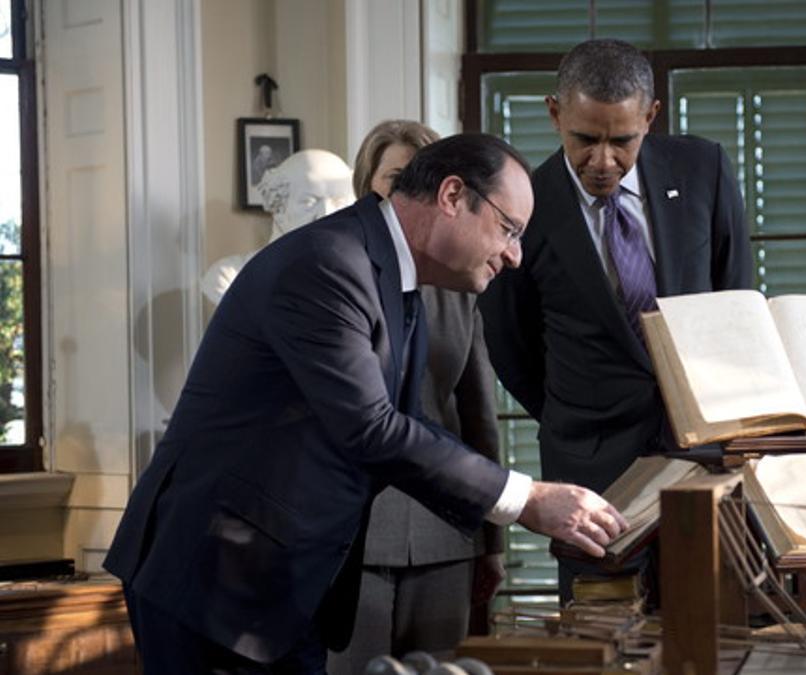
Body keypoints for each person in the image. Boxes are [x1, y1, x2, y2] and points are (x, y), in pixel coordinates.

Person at [104, 133, 627, 674]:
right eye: (509, 229)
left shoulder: (394, 276)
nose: (515, 256)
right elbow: (371, 430)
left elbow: (405, 422)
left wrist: (507, 505)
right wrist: (526, 499)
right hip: (214, 578)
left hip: (286, 586)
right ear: (452, 196)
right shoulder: (327, 263)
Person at [479, 38, 752, 600]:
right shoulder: (524, 205)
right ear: (555, 114)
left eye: (621, 140)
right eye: (585, 139)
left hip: (702, 460)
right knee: (601, 640)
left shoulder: (704, 170)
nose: (602, 161)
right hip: (591, 472)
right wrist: (580, 413)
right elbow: (511, 346)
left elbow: (736, 303)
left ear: (650, 117)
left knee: (712, 632)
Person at [325, 120, 502, 673]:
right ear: (367, 184)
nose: (408, 190)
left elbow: (479, 418)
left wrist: (492, 541)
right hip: (355, 535)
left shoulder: (461, 287)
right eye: (396, 177)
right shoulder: (337, 275)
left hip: (445, 534)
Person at [202, 149, 356, 304]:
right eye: (309, 201)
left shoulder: (361, 280)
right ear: (278, 205)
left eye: (339, 202)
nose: (326, 214)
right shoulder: (230, 278)